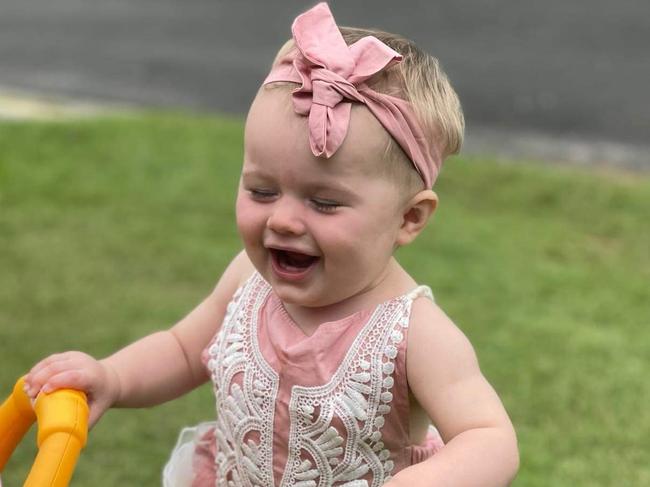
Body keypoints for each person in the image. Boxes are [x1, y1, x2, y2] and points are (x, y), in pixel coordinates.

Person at [24, 3, 519, 486]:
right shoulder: (248, 278)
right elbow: (181, 349)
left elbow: (489, 438)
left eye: (323, 203)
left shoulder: (413, 334)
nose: (282, 220)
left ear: (409, 218)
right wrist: (113, 378)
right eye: (262, 191)